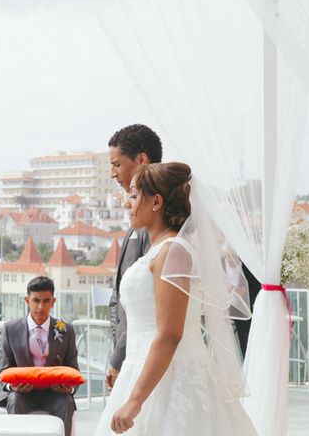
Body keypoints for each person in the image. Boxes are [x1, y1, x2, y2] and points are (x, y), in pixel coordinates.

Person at [94, 163, 256, 435]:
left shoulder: (173, 251)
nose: (126, 203)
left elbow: (170, 333)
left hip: (173, 379)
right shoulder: (160, 249)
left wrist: (135, 401)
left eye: (133, 196)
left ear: (156, 201)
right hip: (144, 369)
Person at [106, 124, 163, 388]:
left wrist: (118, 360)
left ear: (141, 160)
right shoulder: (139, 218)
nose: (112, 173)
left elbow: (143, 302)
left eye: (117, 164)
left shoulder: (156, 223)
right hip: (131, 353)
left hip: (142, 357)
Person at [0, 276, 78, 436]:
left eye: (46, 301)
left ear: (53, 301)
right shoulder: (10, 329)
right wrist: (13, 387)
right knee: (15, 400)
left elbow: (73, 368)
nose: (41, 307)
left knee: (67, 403)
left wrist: (69, 387)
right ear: (27, 300)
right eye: (36, 300)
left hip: (55, 394)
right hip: (22, 394)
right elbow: (3, 371)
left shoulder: (65, 330)